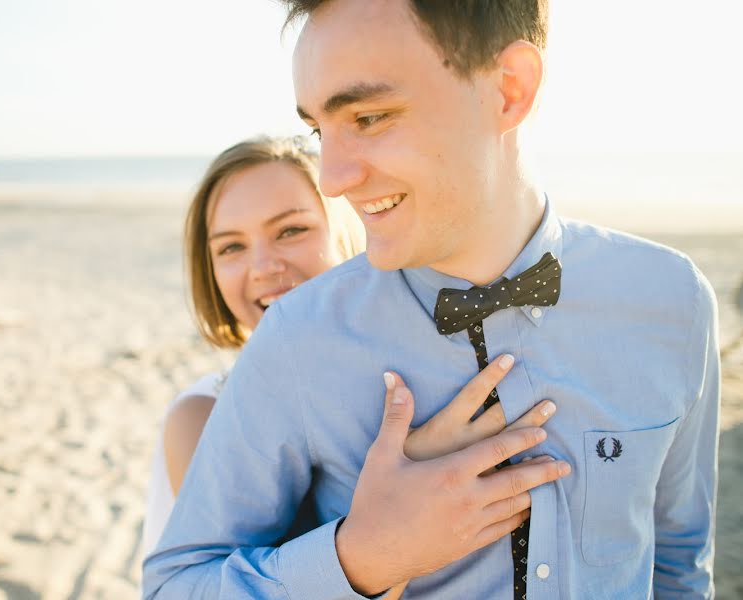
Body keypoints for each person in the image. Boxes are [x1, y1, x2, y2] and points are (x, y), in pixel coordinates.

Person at [144, 0, 720, 593]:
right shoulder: (298, 337)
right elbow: (175, 585)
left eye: (368, 118)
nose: (334, 178)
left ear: (509, 91)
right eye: (320, 130)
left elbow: (677, 566)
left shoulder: (673, 302)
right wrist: (362, 557)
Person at [142, 136, 558, 580]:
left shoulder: (412, 385)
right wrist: (399, 511)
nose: (263, 265)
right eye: (231, 247)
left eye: (291, 231)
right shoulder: (204, 415)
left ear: (350, 231)